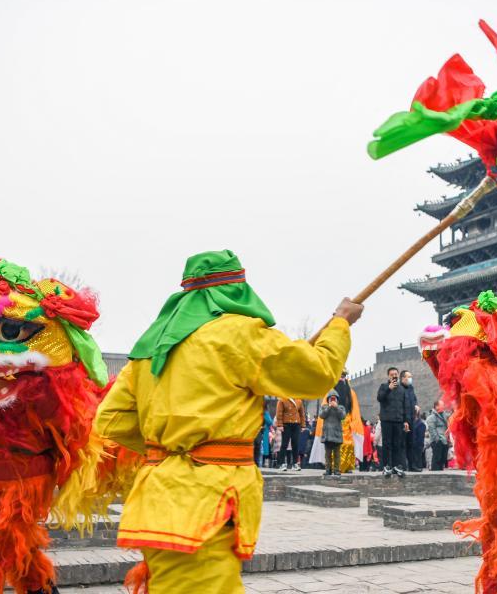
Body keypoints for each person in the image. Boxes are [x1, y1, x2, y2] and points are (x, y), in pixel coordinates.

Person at [93, 250, 362, 593]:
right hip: (209, 500)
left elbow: (112, 420)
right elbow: (318, 373)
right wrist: (339, 323)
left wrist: (170, 446)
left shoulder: (152, 347)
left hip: (157, 495)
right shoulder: (239, 334)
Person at [376, 367, 410, 478]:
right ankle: (386, 466)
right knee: (387, 444)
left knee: (398, 444)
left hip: (398, 420)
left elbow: (405, 406)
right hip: (386, 420)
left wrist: (406, 421)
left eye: (396, 374)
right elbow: (380, 398)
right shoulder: (384, 387)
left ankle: (396, 466)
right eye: (392, 374)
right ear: (388, 376)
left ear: (398, 375)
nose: (394, 376)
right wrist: (388, 389)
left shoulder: (402, 390)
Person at [319, 391, 346, 476]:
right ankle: (328, 470)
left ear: (337, 400)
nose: (333, 400)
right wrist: (329, 407)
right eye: (331, 398)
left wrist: (336, 407)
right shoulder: (324, 407)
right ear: (328, 400)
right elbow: (322, 415)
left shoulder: (341, 407)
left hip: (336, 435)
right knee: (327, 454)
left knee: (337, 454)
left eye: (335, 398)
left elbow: (343, 416)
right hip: (327, 435)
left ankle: (337, 470)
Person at [276, 396, 306, 471]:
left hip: (296, 424)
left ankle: (295, 463)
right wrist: (280, 424)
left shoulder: (299, 400)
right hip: (286, 424)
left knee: (295, 444)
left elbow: (302, 413)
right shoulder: (282, 399)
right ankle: (282, 463)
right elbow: (279, 413)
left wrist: (303, 425)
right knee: (284, 444)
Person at [400, 370, 417, 469]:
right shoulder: (399, 389)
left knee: (411, 443)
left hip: (411, 419)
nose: (410, 379)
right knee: (402, 443)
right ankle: (402, 465)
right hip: (403, 420)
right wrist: (404, 420)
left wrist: (416, 405)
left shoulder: (411, 388)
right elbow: (401, 406)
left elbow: (414, 399)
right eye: (408, 376)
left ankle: (412, 465)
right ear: (403, 378)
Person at [427, 399, 449, 471]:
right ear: (437, 407)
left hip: (444, 440)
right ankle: (435, 474)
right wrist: (437, 439)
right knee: (437, 458)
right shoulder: (431, 417)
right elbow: (432, 430)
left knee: (443, 459)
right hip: (437, 441)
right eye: (442, 405)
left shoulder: (444, 415)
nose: (444, 406)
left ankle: (440, 473)